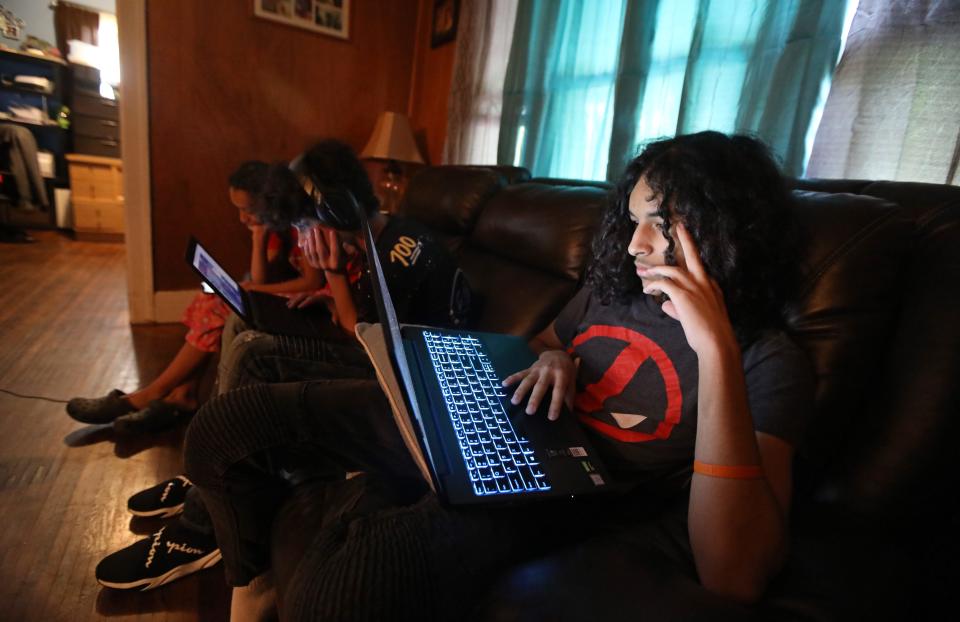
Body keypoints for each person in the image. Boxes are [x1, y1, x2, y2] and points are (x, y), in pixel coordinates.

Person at [182, 131, 814, 619]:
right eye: (632, 219)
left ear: (724, 226)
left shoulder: (767, 360)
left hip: (553, 492)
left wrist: (716, 350)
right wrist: (553, 356)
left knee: (334, 598)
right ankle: (256, 572)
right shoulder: (618, 291)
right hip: (495, 407)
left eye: (661, 221)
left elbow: (735, 574)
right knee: (224, 426)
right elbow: (541, 338)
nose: (632, 244)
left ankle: (362, 494)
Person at [93, 139, 472, 594]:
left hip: (411, 384)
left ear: (333, 211)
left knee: (256, 351)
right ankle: (211, 478)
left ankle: (202, 528)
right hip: (394, 352)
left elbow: (370, 341)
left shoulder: (391, 258)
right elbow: (371, 318)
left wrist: (332, 278)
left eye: (304, 222)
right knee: (241, 324)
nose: (303, 235)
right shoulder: (386, 236)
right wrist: (329, 293)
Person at [65, 161, 325, 435]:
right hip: (289, 295)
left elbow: (312, 281)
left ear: (270, 200)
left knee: (218, 307)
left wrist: (250, 289)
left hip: (311, 301)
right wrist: (259, 238)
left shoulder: (303, 223)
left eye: (247, 210)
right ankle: (181, 394)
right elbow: (260, 278)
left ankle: (152, 394)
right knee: (210, 298)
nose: (241, 219)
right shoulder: (275, 224)